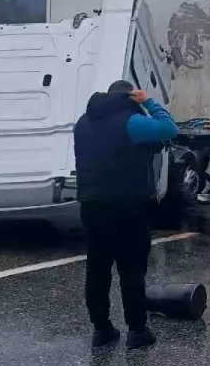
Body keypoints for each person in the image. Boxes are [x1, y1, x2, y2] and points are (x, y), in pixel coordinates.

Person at [73, 80, 178, 350]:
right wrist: (149, 102)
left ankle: (102, 329)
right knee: (132, 270)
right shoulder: (131, 121)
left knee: (97, 270)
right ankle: (137, 330)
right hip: (128, 206)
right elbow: (169, 128)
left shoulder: (83, 123)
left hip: (93, 205)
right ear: (130, 96)